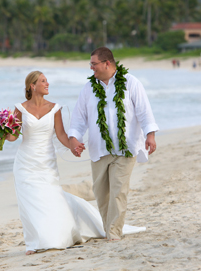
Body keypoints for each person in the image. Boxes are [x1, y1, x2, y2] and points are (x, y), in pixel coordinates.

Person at [6, 71, 145, 255]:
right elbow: (13, 137)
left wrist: (74, 145)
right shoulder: (19, 109)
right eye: (43, 81)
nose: (47, 83)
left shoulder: (55, 108)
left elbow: (61, 135)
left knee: (50, 196)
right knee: (30, 199)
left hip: (46, 161)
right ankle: (33, 242)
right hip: (25, 161)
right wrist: (3, 130)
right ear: (32, 85)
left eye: (47, 80)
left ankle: (54, 236)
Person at [68, 47, 158, 241]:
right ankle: (109, 228)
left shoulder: (131, 83)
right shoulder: (88, 89)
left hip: (126, 148)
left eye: (94, 64)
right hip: (98, 148)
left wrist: (150, 134)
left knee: (118, 191)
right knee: (101, 195)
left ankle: (114, 233)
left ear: (107, 63)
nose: (91, 68)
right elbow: (79, 118)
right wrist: (74, 138)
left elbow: (144, 112)